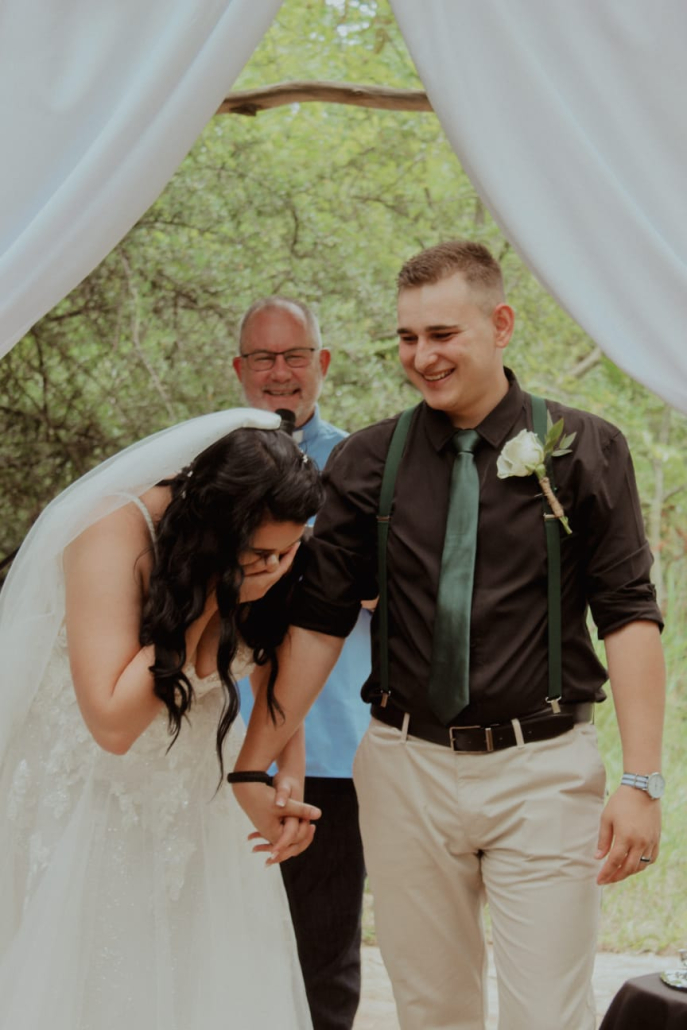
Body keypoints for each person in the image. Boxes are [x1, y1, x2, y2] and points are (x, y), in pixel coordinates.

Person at [230, 242, 666, 1030]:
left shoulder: (585, 448)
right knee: (431, 1012)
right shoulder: (366, 461)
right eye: (406, 337)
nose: (421, 357)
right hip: (403, 768)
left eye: (441, 334)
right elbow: (319, 624)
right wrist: (250, 765)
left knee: (548, 1014)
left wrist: (640, 783)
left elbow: (628, 615)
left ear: (500, 325)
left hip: (542, 768)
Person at [0, 407, 325, 1030]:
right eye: (262, 554)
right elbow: (113, 724)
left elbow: (266, 655)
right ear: (214, 531)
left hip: (194, 795)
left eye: (289, 551)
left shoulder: (267, 557)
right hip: (95, 796)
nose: (276, 567)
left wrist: (283, 769)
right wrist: (215, 595)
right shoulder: (112, 531)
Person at [233, 297, 371, 1030]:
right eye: (264, 357)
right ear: (240, 368)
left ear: (323, 363)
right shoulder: (207, 460)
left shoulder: (364, 465)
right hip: (217, 737)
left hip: (333, 743)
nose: (279, 372)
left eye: (294, 356)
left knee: (322, 948)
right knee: (222, 934)